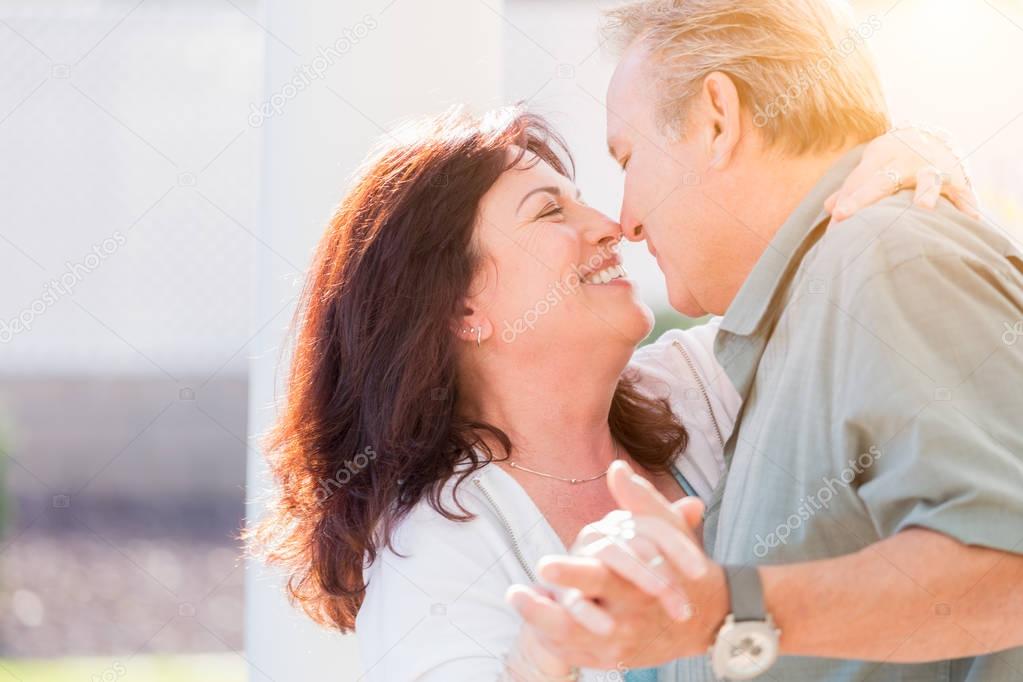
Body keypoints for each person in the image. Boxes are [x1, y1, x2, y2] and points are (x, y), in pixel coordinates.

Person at [248, 103, 974, 681]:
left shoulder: (699, 385)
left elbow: (848, 291)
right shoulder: (434, 557)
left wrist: (910, 156)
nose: (610, 227)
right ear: (460, 309)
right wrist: (545, 661)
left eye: (582, 201)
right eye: (549, 212)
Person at [512, 1, 1023, 680]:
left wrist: (727, 612)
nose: (626, 223)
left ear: (717, 119)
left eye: (628, 159)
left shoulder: (886, 262)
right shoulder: (805, 313)